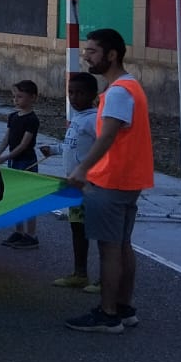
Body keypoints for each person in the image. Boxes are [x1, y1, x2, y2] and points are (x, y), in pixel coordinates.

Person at [65, 28, 153, 334]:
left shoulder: (117, 92)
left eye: (92, 51)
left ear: (112, 55)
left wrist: (82, 169)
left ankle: (108, 313)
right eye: (86, 51)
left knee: (109, 249)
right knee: (123, 245)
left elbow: (107, 137)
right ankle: (124, 308)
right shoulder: (130, 86)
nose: (86, 56)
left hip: (111, 179)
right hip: (129, 179)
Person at [42, 71, 101, 290]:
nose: (74, 97)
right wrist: (54, 149)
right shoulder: (77, 118)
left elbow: (104, 147)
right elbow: (72, 146)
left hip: (92, 187)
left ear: (93, 95)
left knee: (100, 232)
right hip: (75, 186)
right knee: (77, 229)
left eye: (80, 93)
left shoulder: (95, 120)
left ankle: (106, 278)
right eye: (71, 92)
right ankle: (80, 273)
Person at [0, 79, 41, 249]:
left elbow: (24, 145)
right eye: (14, 96)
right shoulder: (13, 117)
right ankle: (19, 231)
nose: (16, 100)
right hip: (13, 162)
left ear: (33, 97)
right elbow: (6, 139)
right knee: (15, 197)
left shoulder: (32, 119)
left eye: (20, 96)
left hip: (27, 162)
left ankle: (31, 234)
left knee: (28, 198)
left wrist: (5, 157)